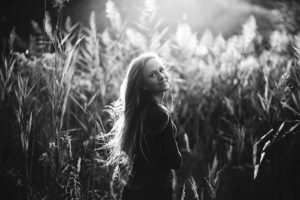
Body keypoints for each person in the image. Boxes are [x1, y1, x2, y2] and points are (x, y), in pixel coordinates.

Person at [104, 52, 182, 200]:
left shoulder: (139, 112)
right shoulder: (160, 115)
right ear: (143, 85)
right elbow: (175, 162)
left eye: (161, 69)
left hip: (133, 189)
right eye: (152, 75)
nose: (161, 76)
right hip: (155, 191)